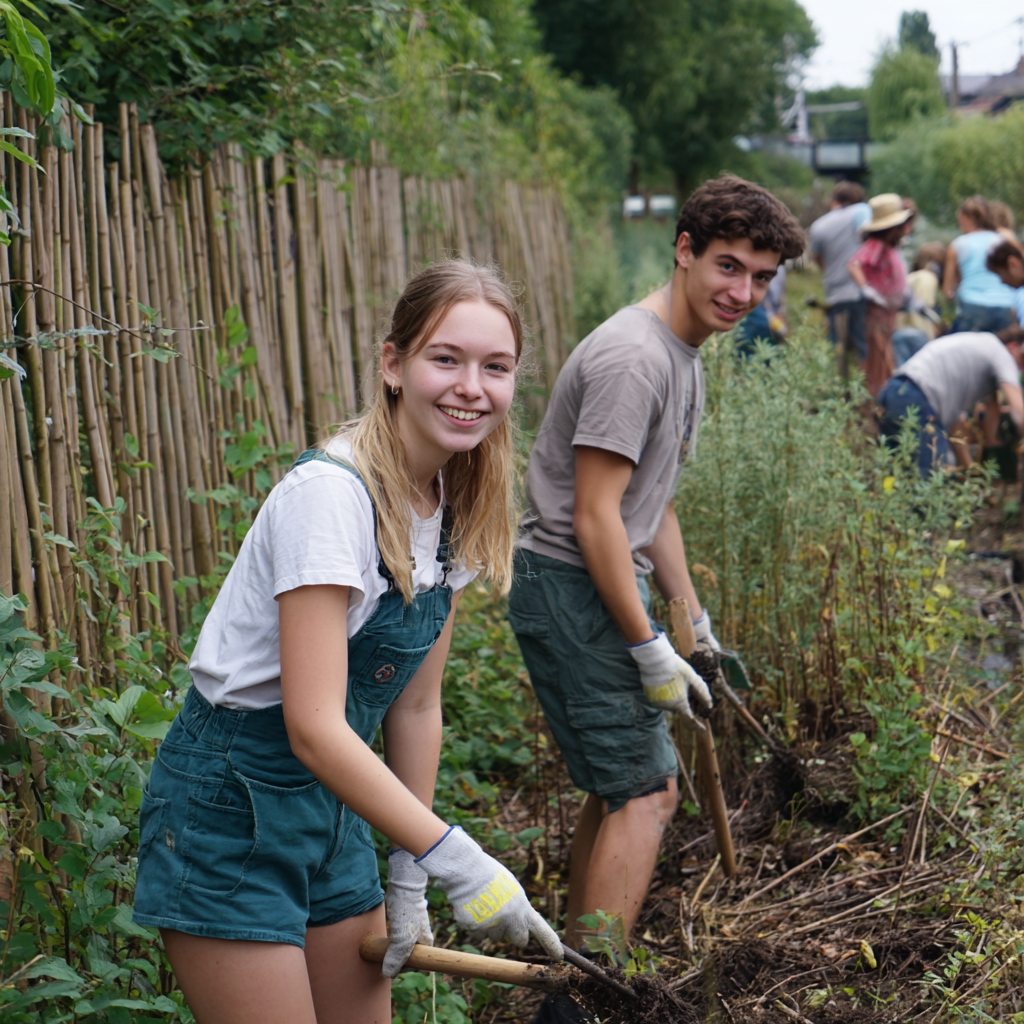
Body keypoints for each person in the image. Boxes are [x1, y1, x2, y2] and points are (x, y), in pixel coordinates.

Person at [132, 260, 562, 1024]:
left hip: (336, 810)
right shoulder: (331, 498)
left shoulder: (453, 502)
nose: (472, 386)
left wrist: (405, 872)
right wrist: (454, 858)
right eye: (445, 359)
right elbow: (314, 725)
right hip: (231, 806)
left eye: (495, 368)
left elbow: (418, 705)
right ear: (392, 365)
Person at [507, 176, 804, 961]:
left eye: (762, 277)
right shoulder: (636, 358)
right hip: (573, 585)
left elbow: (651, 502)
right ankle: (587, 992)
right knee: (648, 789)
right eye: (729, 266)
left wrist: (690, 617)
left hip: (599, 580)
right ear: (684, 251)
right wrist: (645, 646)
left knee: (621, 786)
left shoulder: (683, 352)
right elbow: (595, 517)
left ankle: (569, 965)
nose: (744, 292)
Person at [876, 326, 1024, 478]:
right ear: (1012, 347)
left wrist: (969, 473)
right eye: (1022, 361)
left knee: (897, 475)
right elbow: (1018, 409)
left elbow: (957, 427)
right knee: (928, 482)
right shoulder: (999, 352)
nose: (1020, 369)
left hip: (893, 393)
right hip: (917, 399)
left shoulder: (974, 356)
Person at [847, 193, 913, 397]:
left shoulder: (889, 248)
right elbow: (854, 265)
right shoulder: (875, 244)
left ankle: (882, 398)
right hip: (877, 313)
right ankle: (876, 401)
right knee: (880, 360)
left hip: (888, 312)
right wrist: (867, 289)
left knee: (886, 355)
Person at [808, 181, 871, 366]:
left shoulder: (818, 225)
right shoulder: (861, 211)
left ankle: (839, 390)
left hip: (834, 295)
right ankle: (865, 391)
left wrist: (832, 271)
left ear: (834, 200)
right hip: (860, 291)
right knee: (863, 347)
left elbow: (817, 258)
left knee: (837, 349)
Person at [943, 196, 1015, 334]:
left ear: (964, 217)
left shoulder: (958, 244)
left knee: (968, 354)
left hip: (972, 306)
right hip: (1005, 306)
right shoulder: (1003, 241)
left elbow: (948, 291)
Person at [892, 242, 945, 367]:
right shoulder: (928, 277)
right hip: (917, 334)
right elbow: (923, 311)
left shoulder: (910, 277)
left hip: (898, 331)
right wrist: (929, 339)